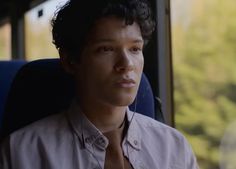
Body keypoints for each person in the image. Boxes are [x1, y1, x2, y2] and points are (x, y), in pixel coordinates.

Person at [0, 0, 199, 168]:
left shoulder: (173, 148)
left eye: (135, 49)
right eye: (106, 49)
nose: (127, 64)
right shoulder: (24, 151)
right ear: (70, 61)